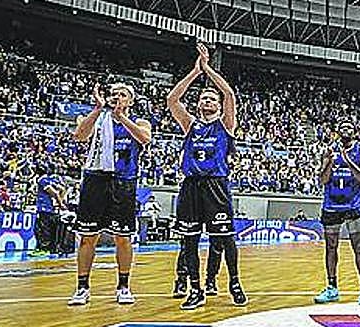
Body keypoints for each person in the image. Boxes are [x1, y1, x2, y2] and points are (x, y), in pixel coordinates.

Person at [166, 43, 246, 310]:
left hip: (216, 186)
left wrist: (208, 68)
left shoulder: (225, 125)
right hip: (191, 186)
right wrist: (194, 72)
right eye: (203, 98)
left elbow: (229, 94)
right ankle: (195, 289)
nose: (208, 101)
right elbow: (172, 100)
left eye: (212, 98)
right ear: (198, 105)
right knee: (188, 240)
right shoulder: (190, 124)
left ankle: (234, 282)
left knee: (225, 238)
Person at [69, 81, 152, 306]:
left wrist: (121, 117)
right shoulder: (97, 119)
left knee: (123, 238)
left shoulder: (140, 122)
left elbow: (145, 139)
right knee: (88, 237)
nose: (116, 97)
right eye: (113, 94)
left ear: (131, 100)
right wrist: (98, 109)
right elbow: (79, 136)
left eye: (122, 94)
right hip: (95, 179)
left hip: (124, 182)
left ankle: (123, 286)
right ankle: (82, 287)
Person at [314, 120, 360, 307]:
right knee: (331, 247)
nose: (346, 130)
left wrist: (348, 160)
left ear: (354, 132)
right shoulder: (328, 151)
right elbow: (323, 180)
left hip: (354, 206)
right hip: (331, 206)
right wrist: (330, 164)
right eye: (342, 127)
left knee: (359, 248)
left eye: (349, 127)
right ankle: (332, 287)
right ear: (338, 132)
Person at [31, 163, 65, 257]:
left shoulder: (42, 180)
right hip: (50, 209)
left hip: (43, 208)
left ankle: (43, 249)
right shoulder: (51, 179)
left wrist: (60, 204)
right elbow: (62, 189)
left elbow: (55, 193)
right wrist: (58, 203)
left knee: (42, 229)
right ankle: (51, 249)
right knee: (50, 229)